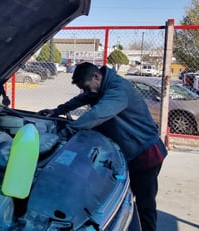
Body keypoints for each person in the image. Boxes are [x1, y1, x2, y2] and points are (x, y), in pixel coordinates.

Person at [38, 62, 167, 231]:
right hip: (130, 150)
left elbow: (97, 113)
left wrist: (67, 131)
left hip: (144, 152)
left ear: (96, 76)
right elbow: (83, 98)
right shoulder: (101, 86)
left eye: (86, 87)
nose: (86, 92)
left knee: (145, 203)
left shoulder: (118, 90)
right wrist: (58, 110)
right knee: (122, 200)